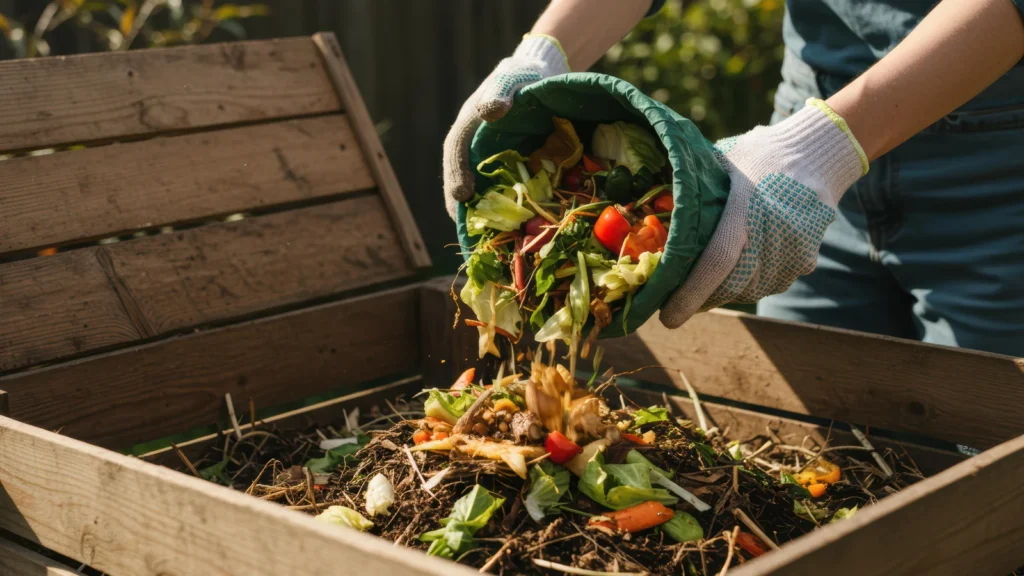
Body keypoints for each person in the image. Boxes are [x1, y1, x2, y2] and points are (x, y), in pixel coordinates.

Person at [442, 0, 1024, 357]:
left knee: (990, 467)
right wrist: (544, 51)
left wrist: (822, 147)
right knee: (811, 448)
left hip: (995, 174)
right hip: (803, 143)